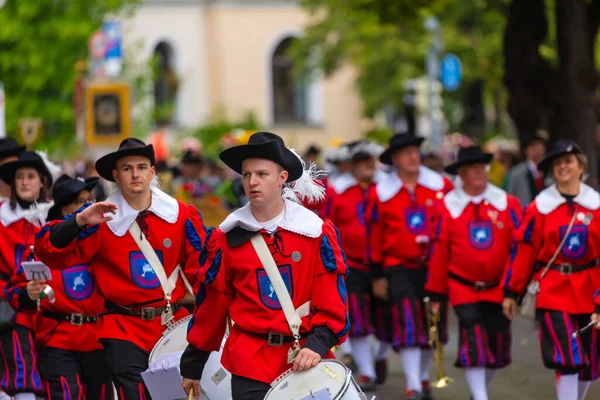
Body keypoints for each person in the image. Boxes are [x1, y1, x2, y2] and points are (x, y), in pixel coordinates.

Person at [180, 131, 350, 400]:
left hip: (306, 358)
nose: (252, 182)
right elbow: (212, 305)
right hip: (249, 361)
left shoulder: (315, 232)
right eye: (246, 175)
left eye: (262, 174)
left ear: (282, 178)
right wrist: (193, 364)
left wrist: (318, 345)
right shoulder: (225, 238)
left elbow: (331, 300)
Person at [33, 138, 206, 399]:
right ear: (115, 175)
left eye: (141, 167)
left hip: (172, 325)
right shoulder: (99, 218)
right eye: (127, 168)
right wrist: (78, 221)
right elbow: (49, 252)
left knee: (175, 396)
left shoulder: (180, 215)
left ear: (152, 171)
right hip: (123, 328)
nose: (135, 174)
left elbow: (202, 273)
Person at [503, 140, 600, 400]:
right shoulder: (539, 207)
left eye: (568, 161)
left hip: (591, 291)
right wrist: (511, 292)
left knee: (589, 363)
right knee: (566, 357)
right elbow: (524, 252)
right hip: (553, 290)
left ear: (581, 167)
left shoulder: (596, 205)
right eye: (557, 163)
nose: (562, 167)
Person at [426, 146, 522, 400]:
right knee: (473, 339)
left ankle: (479, 392)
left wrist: (515, 286)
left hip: (499, 288)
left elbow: (519, 249)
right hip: (463, 287)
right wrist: (435, 292)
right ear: (462, 174)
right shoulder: (447, 206)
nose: (480, 173)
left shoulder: (507, 203)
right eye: (473, 169)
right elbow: (438, 253)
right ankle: (480, 397)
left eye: (482, 168)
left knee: (497, 345)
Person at [6, 174, 114, 400]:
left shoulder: (104, 240)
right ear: (64, 210)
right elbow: (15, 293)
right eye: (78, 201)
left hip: (98, 341)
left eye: (89, 199)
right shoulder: (43, 245)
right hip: (58, 340)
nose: (87, 206)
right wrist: (29, 294)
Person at [366, 132, 453, 400]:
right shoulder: (381, 193)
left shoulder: (442, 187)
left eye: (416, 151)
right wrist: (377, 275)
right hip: (399, 267)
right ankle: (413, 385)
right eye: (407, 153)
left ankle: (424, 377)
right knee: (407, 325)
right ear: (395, 159)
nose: (414, 157)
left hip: (435, 267)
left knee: (433, 324)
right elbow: (374, 236)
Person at [321, 140, 384, 391]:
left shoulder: (386, 189)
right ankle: (367, 371)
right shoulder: (339, 191)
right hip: (352, 265)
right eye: (362, 161)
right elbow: (326, 225)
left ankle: (379, 357)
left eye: (371, 160)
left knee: (388, 321)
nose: (369, 166)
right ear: (352, 166)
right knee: (357, 320)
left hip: (386, 266)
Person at [0, 151, 60, 400]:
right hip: (12, 311)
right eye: (19, 177)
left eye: (31, 177)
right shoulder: (2, 217)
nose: (24, 182)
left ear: (42, 182)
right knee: (21, 376)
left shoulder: (55, 219)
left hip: (53, 310)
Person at [503, 130, 548, 206]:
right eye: (534, 145)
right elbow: (509, 197)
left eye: (540, 145)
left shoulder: (550, 171)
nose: (538, 148)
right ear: (526, 150)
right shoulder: (516, 174)